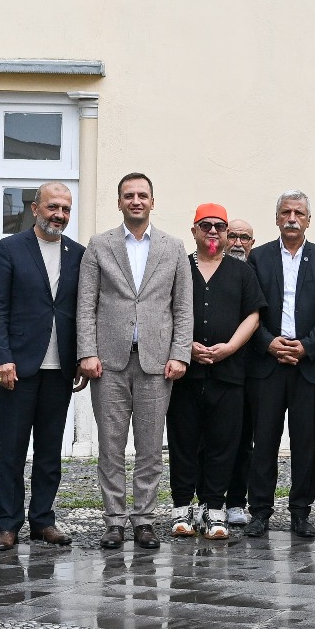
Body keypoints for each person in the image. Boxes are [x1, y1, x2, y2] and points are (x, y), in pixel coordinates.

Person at [76, 172, 192, 550]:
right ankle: (114, 521)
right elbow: (86, 305)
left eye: (143, 195)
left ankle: (143, 519)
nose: (136, 201)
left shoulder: (173, 248)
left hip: (157, 364)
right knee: (110, 447)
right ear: (120, 202)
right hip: (108, 362)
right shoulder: (99, 245)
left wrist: (180, 355)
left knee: (149, 448)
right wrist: (87, 353)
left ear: (153, 202)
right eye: (129, 195)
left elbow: (182, 308)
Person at [0, 182, 83, 552]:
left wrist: (82, 357)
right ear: (35, 208)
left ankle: (43, 520)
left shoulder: (78, 254)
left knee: (49, 450)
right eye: (53, 207)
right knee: (12, 449)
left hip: (60, 368)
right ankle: (8, 524)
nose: (59, 215)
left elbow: (82, 309)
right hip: (19, 367)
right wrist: (2, 358)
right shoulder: (9, 249)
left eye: (66, 209)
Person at [246, 192, 315, 540]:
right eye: (285, 212)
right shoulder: (258, 259)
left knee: (304, 444)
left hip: (308, 365)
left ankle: (300, 513)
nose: (291, 218)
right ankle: (259, 512)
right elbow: (250, 309)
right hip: (267, 364)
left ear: (308, 220)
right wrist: (269, 343)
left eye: (298, 213)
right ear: (276, 219)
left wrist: (306, 346)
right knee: (265, 442)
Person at [166, 205, 263, 542]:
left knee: (224, 442)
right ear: (193, 230)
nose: (212, 232)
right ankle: (181, 508)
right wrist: (185, 345)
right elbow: (164, 310)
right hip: (185, 372)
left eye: (219, 227)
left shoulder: (241, 272)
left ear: (225, 233)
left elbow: (253, 315)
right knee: (183, 442)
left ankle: (215, 510)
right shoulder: (180, 268)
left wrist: (230, 348)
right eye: (205, 226)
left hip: (228, 372)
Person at [217, 216, 258, 530]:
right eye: (233, 236)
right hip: (210, 367)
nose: (238, 243)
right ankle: (208, 501)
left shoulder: (257, 271)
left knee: (243, 439)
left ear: (252, 243)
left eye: (245, 238)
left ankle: (236, 503)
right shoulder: (207, 268)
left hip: (250, 370)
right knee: (211, 439)